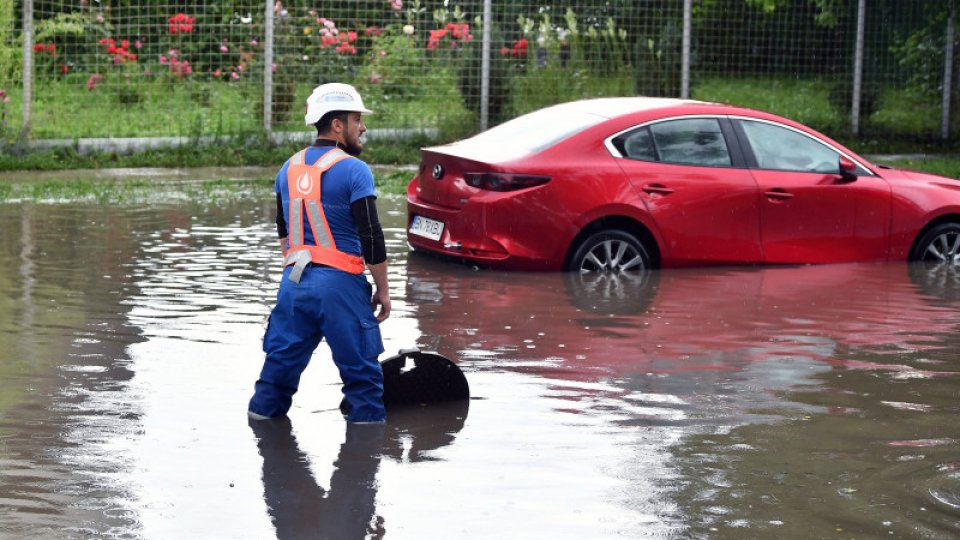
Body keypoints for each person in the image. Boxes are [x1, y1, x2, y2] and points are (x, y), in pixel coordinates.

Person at [248, 82, 391, 424]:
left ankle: (268, 453)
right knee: (363, 381)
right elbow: (372, 236)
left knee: (276, 376)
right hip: (340, 286)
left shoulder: (287, 168)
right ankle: (364, 464)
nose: (364, 128)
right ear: (338, 125)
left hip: (293, 285)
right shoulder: (355, 170)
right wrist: (383, 289)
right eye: (358, 120)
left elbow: (284, 231)